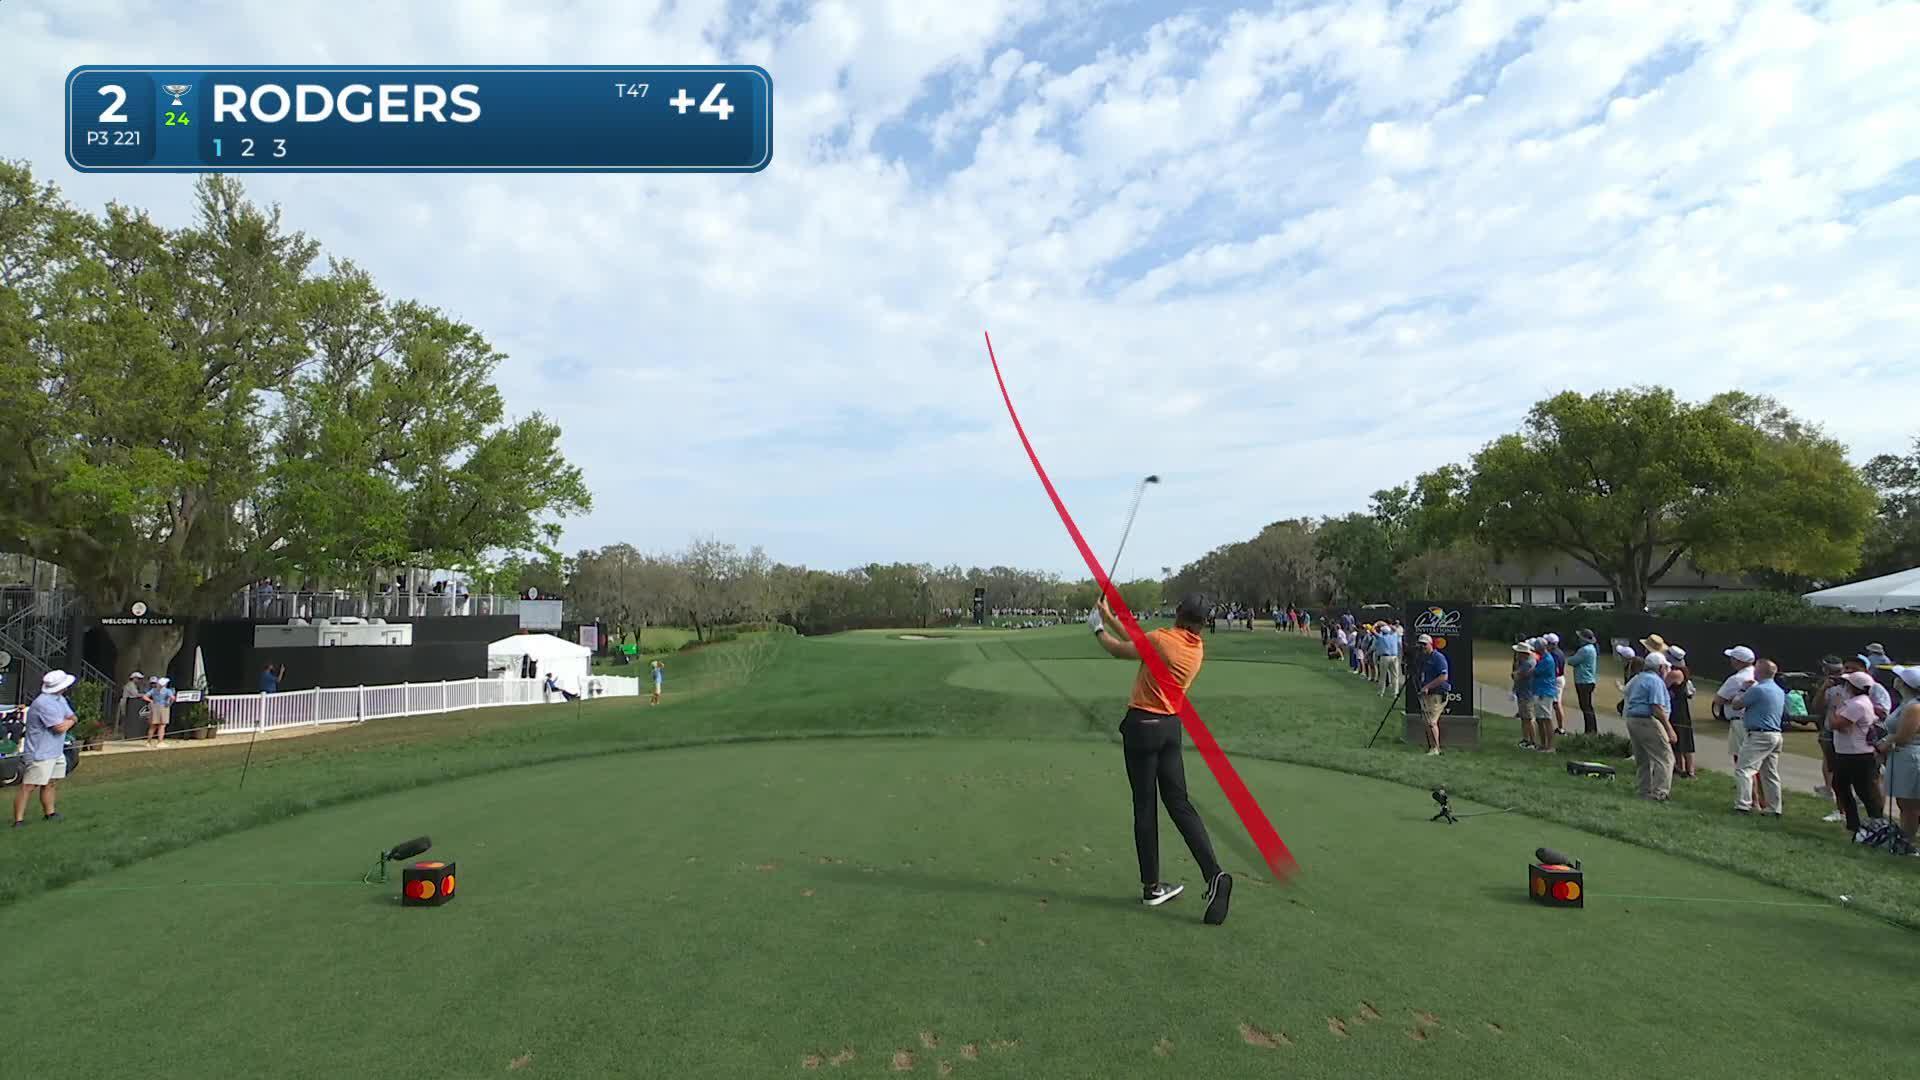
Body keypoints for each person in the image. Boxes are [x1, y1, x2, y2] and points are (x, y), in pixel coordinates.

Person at [1089, 592, 1232, 923]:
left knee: (1145, 807)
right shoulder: (1195, 649)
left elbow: (1119, 650)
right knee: (1180, 804)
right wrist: (1108, 616)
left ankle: (1152, 887)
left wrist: (1097, 629)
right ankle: (1214, 874)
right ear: (1202, 623)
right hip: (1169, 730)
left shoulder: (1163, 639)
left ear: (1179, 613)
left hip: (1142, 727)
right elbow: (1142, 644)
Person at [12, 670, 78, 828]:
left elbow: (71, 716)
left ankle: (50, 813)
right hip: (40, 752)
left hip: (55, 750)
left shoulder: (60, 699)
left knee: (50, 782)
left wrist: (70, 721)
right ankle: (18, 820)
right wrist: (71, 722)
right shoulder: (43, 703)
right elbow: (59, 727)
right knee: (29, 786)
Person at [1827, 671, 1888, 834]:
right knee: (1841, 785)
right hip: (1849, 752)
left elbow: (1836, 724)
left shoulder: (1858, 704)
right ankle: (1854, 823)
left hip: (1857, 754)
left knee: (1864, 790)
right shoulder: (1856, 702)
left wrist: (1833, 707)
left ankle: (1876, 822)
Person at [1731, 659, 1787, 817]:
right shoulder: (1779, 690)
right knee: (1770, 773)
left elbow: (1737, 705)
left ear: (1760, 672)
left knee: (1744, 769)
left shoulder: (1758, 689)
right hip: (1775, 734)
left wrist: (1743, 689)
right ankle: (1774, 807)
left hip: (1759, 734)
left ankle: (1743, 805)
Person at [1714, 646, 1764, 812]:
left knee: (1743, 763)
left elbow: (1718, 699)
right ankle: (1763, 800)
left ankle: (1752, 801)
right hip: (1756, 722)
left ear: (1737, 661)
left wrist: (1734, 700)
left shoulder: (1736, 679)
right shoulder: (1760, 676)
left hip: (1739, 722)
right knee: (1758, 764)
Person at [1876, 666, 1920, 853]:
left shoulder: (1914, 707)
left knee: (1910, 805)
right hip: (1902, 756)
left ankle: (1907, 843)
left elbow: (1904, 736)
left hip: (1911, 757)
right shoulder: (1906, 703)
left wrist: (1884, 743)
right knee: (1904, 803)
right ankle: (1904, 839)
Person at [1623, 651, 1677, 800]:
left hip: (1632, 719)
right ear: (1660, 668)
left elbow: (1626, 691)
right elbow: (1656, 707)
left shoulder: (1638, 678)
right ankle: (1660, 792)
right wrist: (1669, 729)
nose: (1667, 670)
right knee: (1665, 757)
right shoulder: (1655, 681)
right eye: (1665, 667)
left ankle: (1643, 790)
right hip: (1647, 720)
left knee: (1643, 758)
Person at [1663, 646, 1697, 779]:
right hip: (1682, 708)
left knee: (1681, 740)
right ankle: (1683, 769)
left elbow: (1663, 685)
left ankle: (1686, 770)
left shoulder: (1674, 673)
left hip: (1677, 709)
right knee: (1684, 740)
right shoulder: (1683, 671)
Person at [1415, 633, 1450, 756]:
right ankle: (1431, 747)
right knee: (1426, 722)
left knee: (1431, 722)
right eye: (1420, 645)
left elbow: (1443, 676)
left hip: (1438, 693)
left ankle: (1436, 748)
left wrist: (1427, 687)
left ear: (1430, 644)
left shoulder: (1438, 657)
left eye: (1424, 644)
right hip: (1427, 694)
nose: (1422, 647)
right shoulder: (1423, 658)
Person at [1528, 637, 1560, 752]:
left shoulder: (1547, 660)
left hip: (1545, 692)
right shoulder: (1542, 658)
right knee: (1539, 719)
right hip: (1538, 690)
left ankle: (1550, 746)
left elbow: (1534, 671)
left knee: (1546, 719)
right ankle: (1542, 744)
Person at [1568, 630, 1600, 734]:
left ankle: (1590, 730)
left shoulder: (1584, 650)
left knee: (1585, 707)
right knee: (1587, 706)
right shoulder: (1592, 648)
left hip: (1583, 681)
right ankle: (1591, 729)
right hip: (1589, 680)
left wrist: (1571, 656)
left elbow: (1572, 661)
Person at [1511, 642, 1539, 750]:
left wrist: (1516, 674)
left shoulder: (1528, 664)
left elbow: (1517, 676)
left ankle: (1532, 741)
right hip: (1522, 692)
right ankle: (1526, 739)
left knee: (1528, 718)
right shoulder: (1523, 663)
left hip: (1527, 694)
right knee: (1524, 718)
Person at [1545, 633, 1569, 736]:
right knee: (1554, 703)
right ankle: (1559, 727)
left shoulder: (1554, 655)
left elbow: (1556, 670)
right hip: (1558, 678)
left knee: (1556, 704)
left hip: (1556, 680)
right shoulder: (1559, 652)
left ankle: (1561, 728)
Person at [1374, 621, 1403, 700]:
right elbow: (1395, 630)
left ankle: (1381, 692)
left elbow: (1373, 631)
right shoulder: (1394, 636)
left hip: (1385, 657)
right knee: (1395, 676)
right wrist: (1388, 625)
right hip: (1394, 657)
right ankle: (1395, 693)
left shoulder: (1381, 637)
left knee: (1382, 676)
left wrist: (1376, 624)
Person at [144, 676, 175, 747]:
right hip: (163, 707)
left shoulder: (153, 690)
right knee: (162, 725)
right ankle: (160, 742)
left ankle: (148, 742)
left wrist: (151, 701)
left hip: (154, 707)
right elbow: (173, 698)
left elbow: (144, 696)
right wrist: (169, 704)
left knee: (153, 726)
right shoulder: (167, 691)